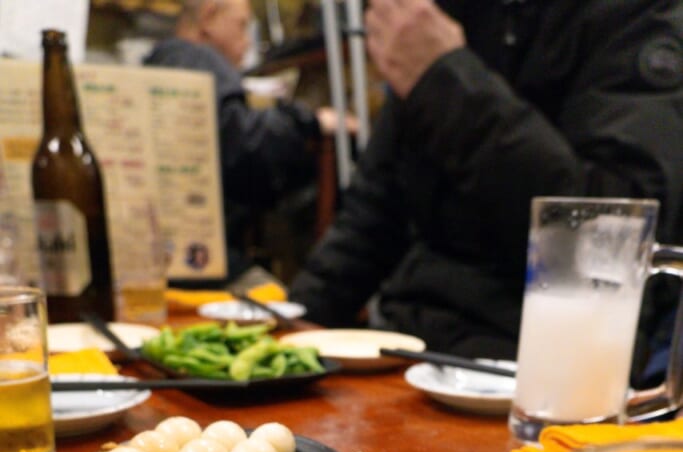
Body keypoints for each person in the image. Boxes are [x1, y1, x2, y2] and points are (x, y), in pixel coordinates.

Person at [289, 0, 683, 360]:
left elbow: (611, 235)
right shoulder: (454, 12)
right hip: (408, 348)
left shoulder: (637, 17)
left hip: (545, 368)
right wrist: (291, 329)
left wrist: (446, 82)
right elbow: (374, 210)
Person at [144, 0, 345, 276]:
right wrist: (311, 122)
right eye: (241, 26)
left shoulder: (160, 62)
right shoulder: (194, 57)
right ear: (208, 17)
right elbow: (246, 145)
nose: (248, 43)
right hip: (205, 266)